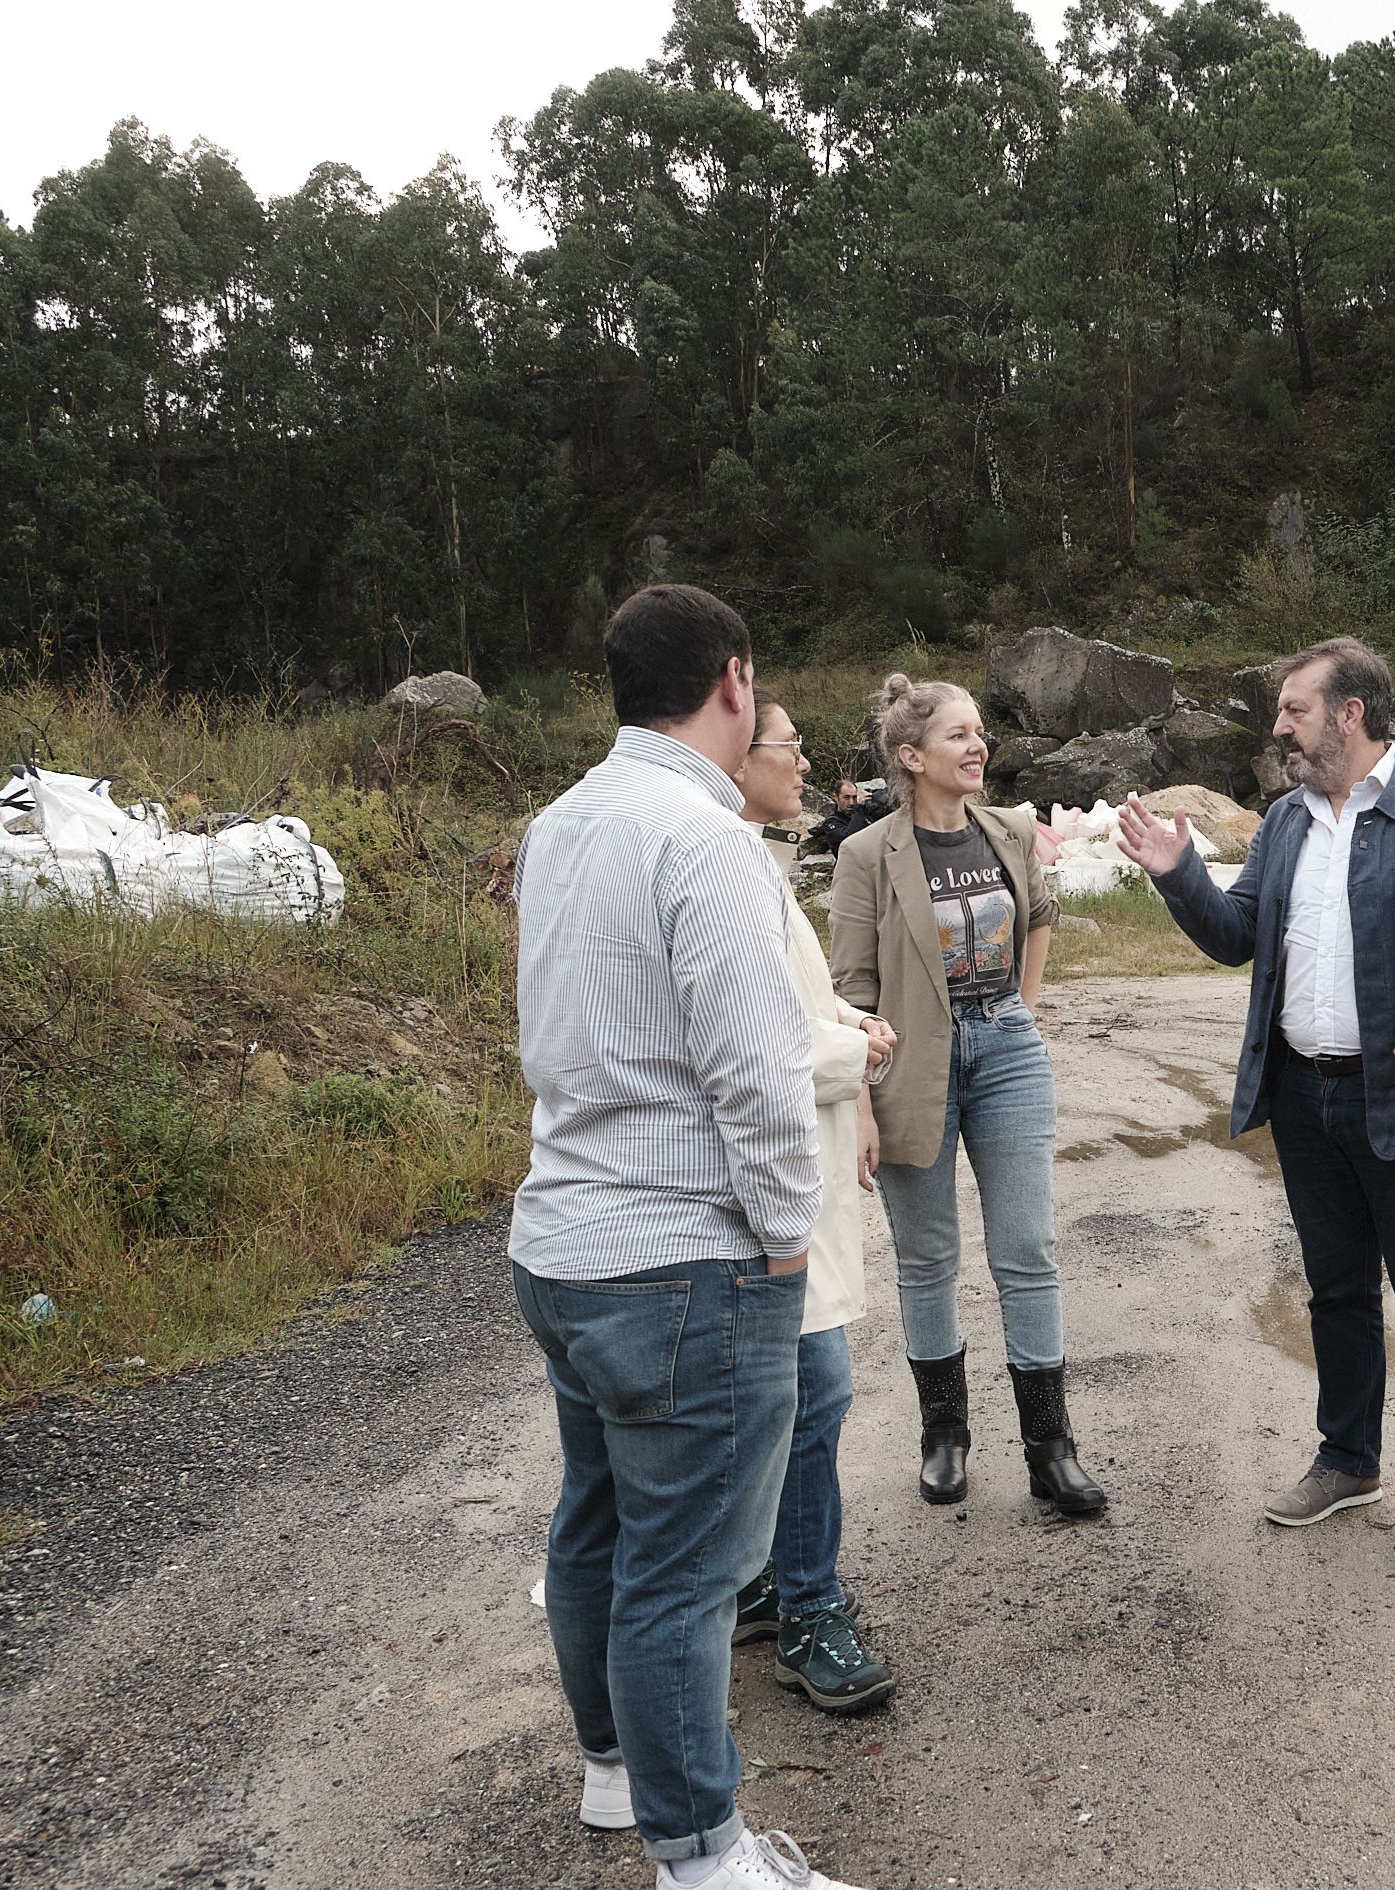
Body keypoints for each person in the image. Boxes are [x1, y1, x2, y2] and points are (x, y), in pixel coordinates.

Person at [510, 582, 867, 1890]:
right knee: (685, 1567)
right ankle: (704, 1858)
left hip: (560, 1241)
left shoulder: (559, 825)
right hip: (680, 1260)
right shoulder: (705, 839)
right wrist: (786, 1234)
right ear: (731, 680)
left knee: (597, 1520)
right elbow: (756, 1069)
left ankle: (617, 1773)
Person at [1116, 637, 1395, 1567]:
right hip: (1305, 1095)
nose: (1278, 725)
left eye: (1293, 709)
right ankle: (1347, 1461)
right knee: (1336, 1291)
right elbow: (1236, 937)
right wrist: (1178, 875)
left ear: (1350, 713)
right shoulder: (1285, 823)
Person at [828, 674, 1105, 1517]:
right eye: (957, 736)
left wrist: (1024, 1003)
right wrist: (863, 1100)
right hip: (910, 1061)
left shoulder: (1010, 830)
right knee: (927, 1257)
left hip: (1006, 1049)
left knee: (1027, 1248)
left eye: (979, 732)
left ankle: (1049, 1450)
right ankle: (943, 1437)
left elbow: (1042, 913)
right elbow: (851, 987)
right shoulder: (867, 854)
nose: (977, 746)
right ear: (911, 758)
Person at [724, 694, 899, 1714]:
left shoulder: (761, 861)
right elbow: (767, 1045)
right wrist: (860, 1051)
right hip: (763, 1187)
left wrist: (848, 1031)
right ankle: (807, 1608)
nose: (803, 766)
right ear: (736, 753)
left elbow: (803, 998)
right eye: (786, 748)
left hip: (799, 1166)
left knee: (799, 1392)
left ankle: (767, 1580)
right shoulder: (726, 865)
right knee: (812, 1391)